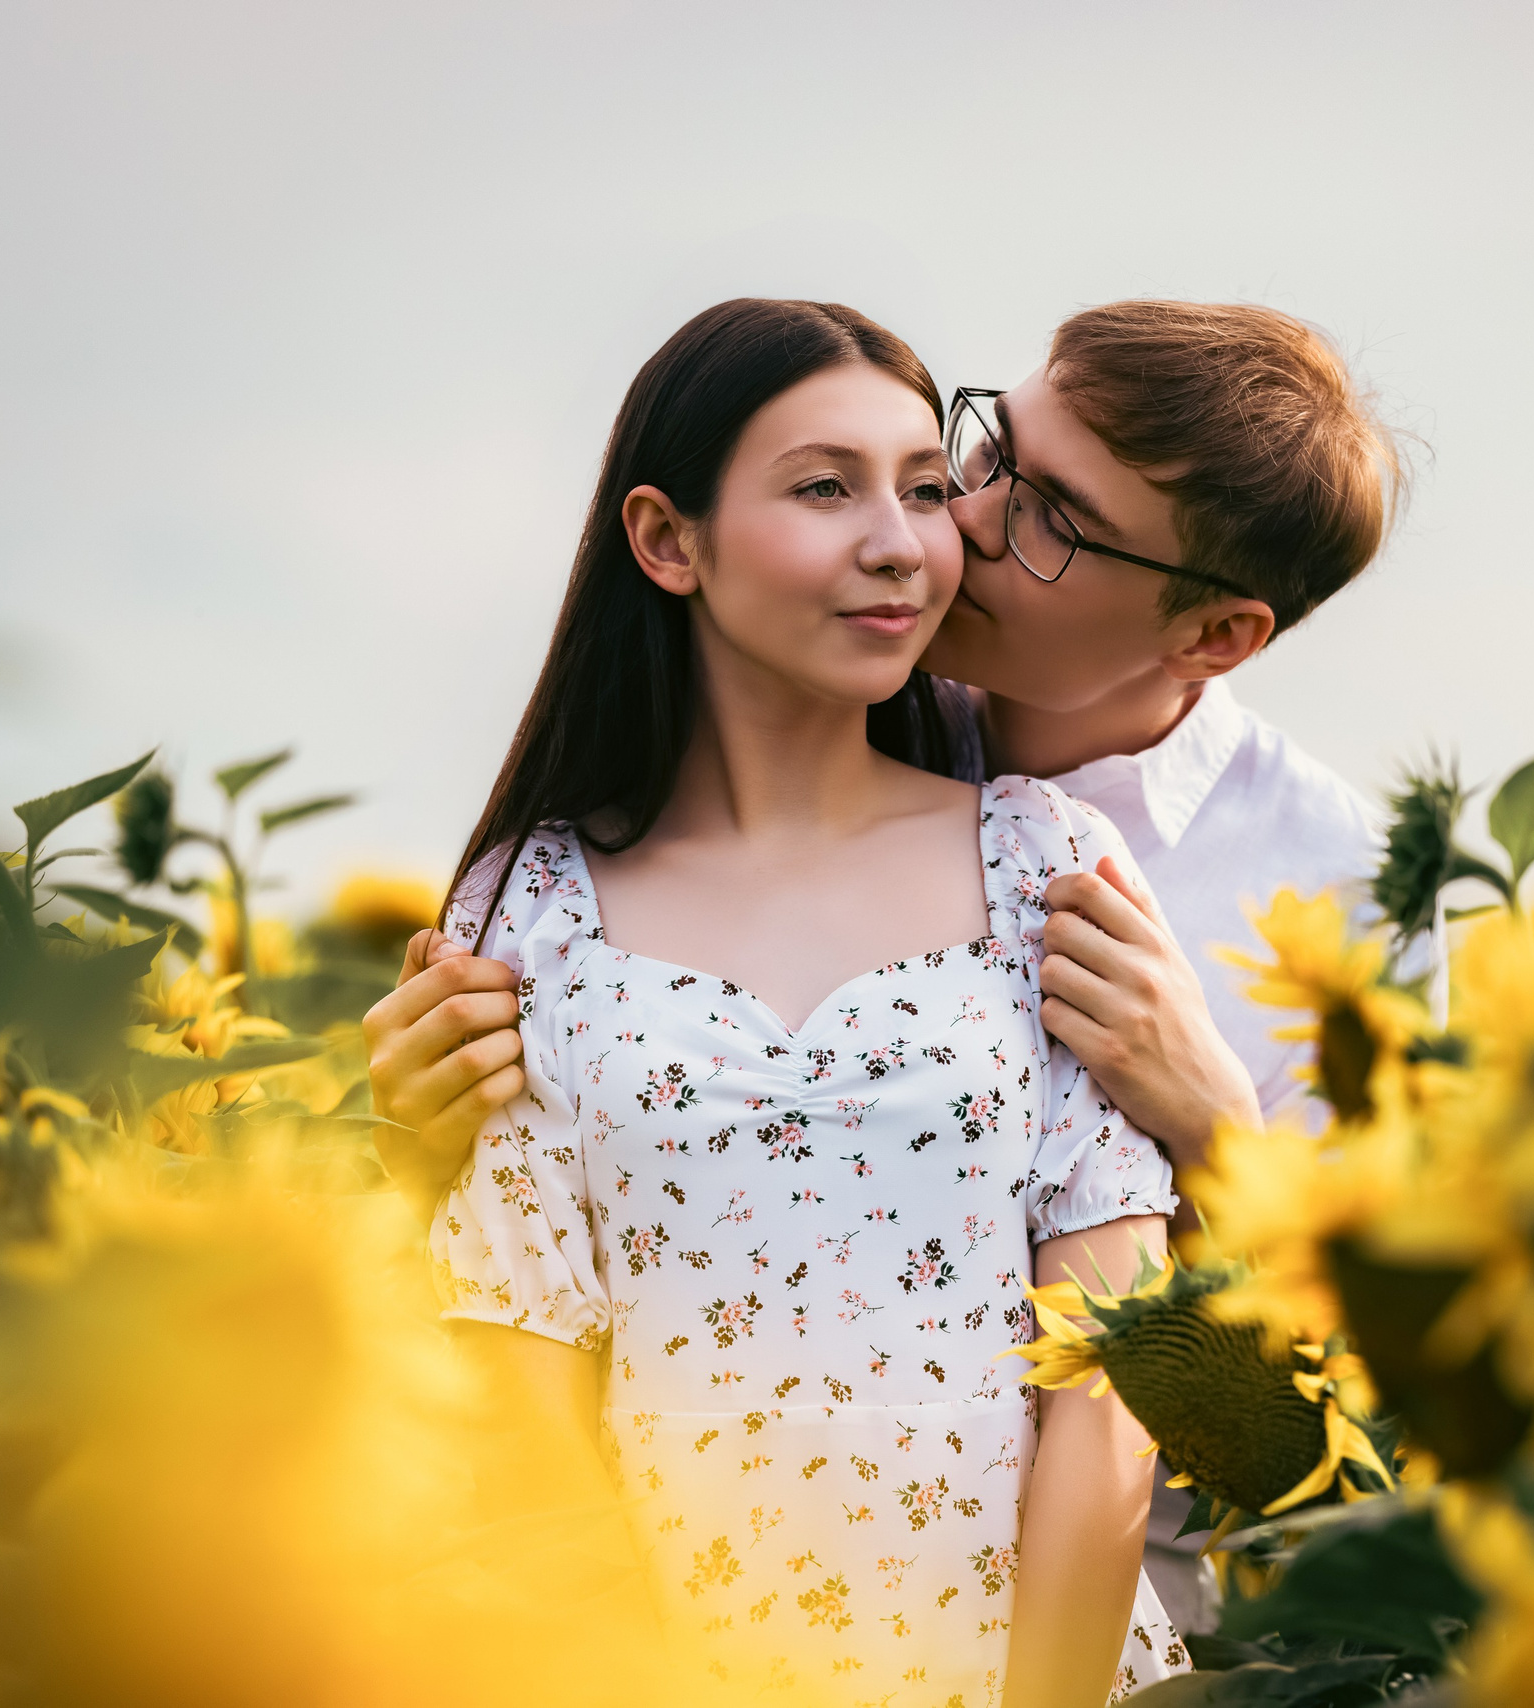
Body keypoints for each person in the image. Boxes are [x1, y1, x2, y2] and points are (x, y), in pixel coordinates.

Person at [368, 298, 1404, 1635]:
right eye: (981, 459)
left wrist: (1220, 1133)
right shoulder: (617, 841)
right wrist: (414, 1120)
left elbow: (1343, 1427)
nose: (951, 529)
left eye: (1045, 516)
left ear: (1211, 638)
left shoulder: (1304, 887)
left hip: (1115, 1608)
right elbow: (523, 1315)